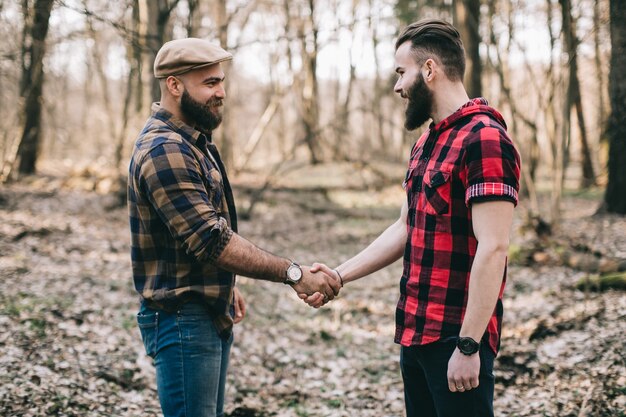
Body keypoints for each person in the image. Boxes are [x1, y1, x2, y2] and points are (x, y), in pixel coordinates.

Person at [301, 19, 521, 417]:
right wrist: (338, 274)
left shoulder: (485, 138)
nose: (398, 86)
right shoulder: (426, 142)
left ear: (430, 70)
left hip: (456, 341)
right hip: (416, 335)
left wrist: (469, 346)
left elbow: (494, 248)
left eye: (402, 73)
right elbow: (405, 228)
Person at [127, 38, 340, 417]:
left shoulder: (194, 142)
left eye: (221, 81)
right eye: (209, 83)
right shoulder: (165, 150)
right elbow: (213, 240)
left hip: (206, 310)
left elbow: (200, 230)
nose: (221, 92)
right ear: (174, 85)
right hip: (181, 320)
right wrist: (293, 273)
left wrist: (228, 284)